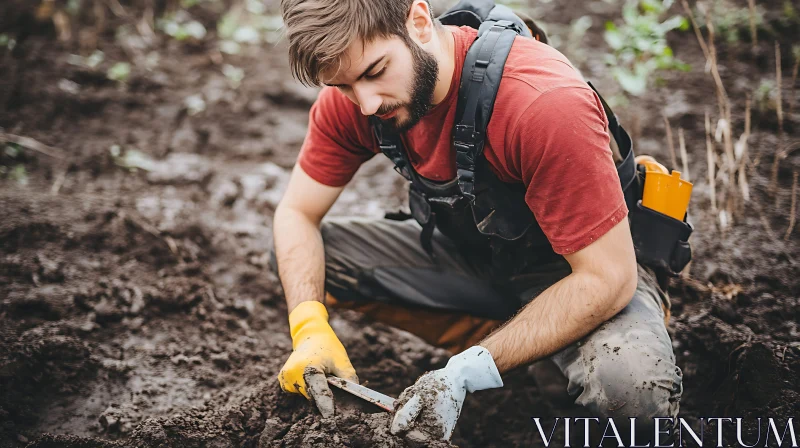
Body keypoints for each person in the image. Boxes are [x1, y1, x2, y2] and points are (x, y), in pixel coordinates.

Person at [271, 0, 683, 441]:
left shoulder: (541, 104)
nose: (366, 104)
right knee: (305, 260)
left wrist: (469, 369)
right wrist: (309, 326)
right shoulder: (356, 98)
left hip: (582, 269)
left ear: (419, 21)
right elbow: (297, 213)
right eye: (344, 85)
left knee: (632, 390)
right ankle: (530, 347)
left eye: (374, 72)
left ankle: (540, 346)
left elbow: (609, 277)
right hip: (481, 258)